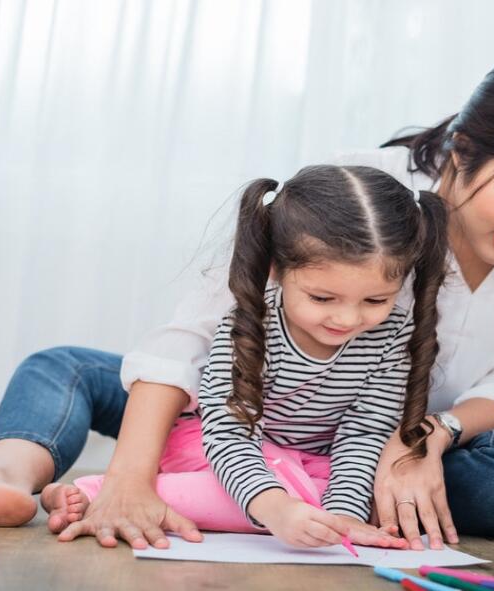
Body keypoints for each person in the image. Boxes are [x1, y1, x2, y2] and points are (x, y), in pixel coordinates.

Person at [0, 49, 494, 550]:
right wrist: (129, 478)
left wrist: (425, 437)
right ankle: (3, 475)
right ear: (462, 149)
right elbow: (195, 334)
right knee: (64, 366)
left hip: (393, 434)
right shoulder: (360, 194)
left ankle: (318, 488)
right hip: (253, 400)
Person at [39, 165, 445, 549]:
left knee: (364, 500)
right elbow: (228, 435)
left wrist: (343, 520)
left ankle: (283, 503)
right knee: (286, 493)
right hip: (219, 447)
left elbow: (363, 436)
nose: (348, 318)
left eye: (376, 300)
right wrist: (275, 507)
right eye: (322, 298)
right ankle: (95, 494)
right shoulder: (251, 322)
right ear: (276, 269)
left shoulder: (395, 335)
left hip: (311, 464)